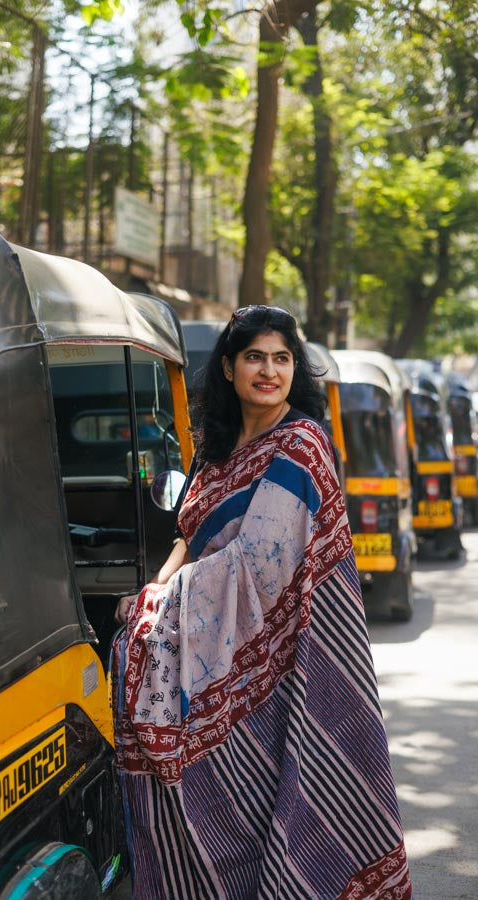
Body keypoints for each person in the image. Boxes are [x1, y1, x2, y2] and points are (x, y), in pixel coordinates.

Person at [113, 305, 411, 899]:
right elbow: (189, 534)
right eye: (254, 357)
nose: (268, 371)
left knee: (265, 798)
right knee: (204, 799)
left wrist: (168, 605)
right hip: (210, 644)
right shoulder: (216, 446)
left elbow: (261, 565)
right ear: (229, 367)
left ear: (293, 369)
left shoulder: (300, 444)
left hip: (279, 660)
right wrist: (154, 590)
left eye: (281, 359)